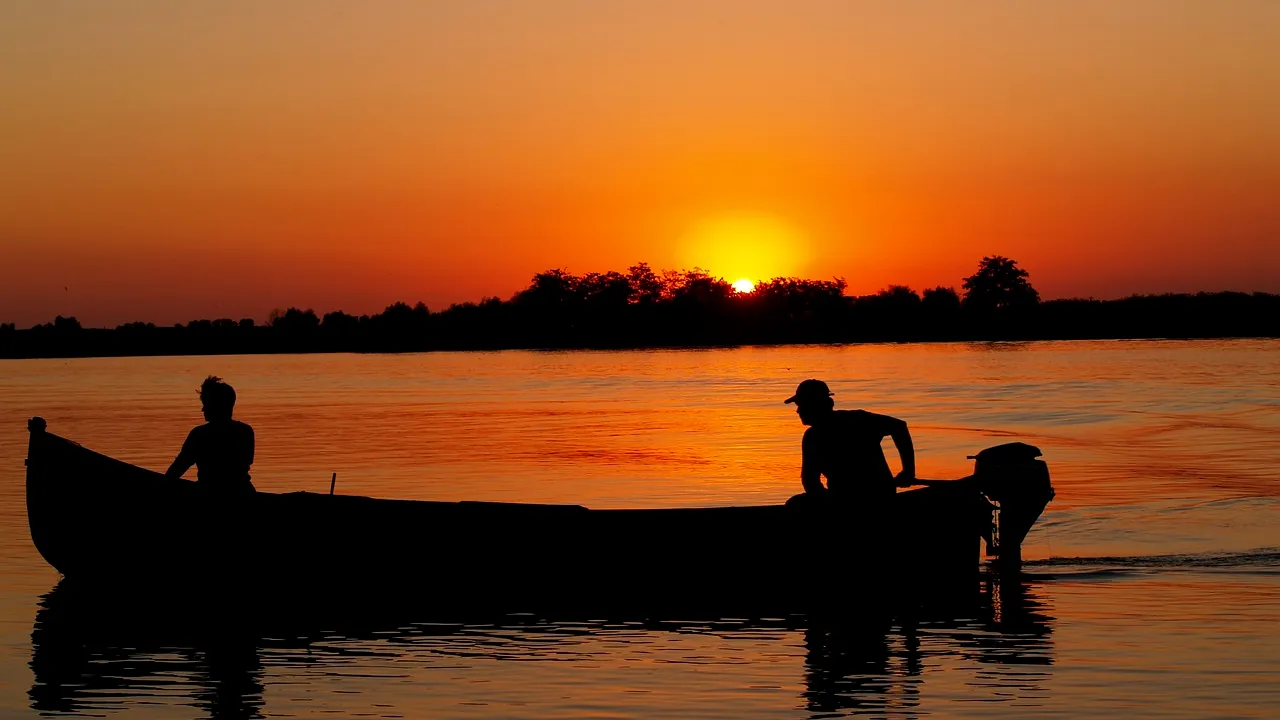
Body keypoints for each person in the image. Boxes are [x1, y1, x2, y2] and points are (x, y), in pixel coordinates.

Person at [784, 379, 915, 508]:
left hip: (866, 497)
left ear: (817, 405)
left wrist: (908, 471)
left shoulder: (857, 421)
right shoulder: (856, 420)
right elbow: (810, 481)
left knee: (795, 504)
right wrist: (908, 471)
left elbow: (810, 481)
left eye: (802, 405)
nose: (798, 411)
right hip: (862, 496)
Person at [166, 376, 256, 494]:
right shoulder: (246, 431)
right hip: (245, 492)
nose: (202, 409)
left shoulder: (199, 435)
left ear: (215, 405)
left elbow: (176, 470)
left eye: (206, 404)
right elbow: (246, 462)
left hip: (209, 494)